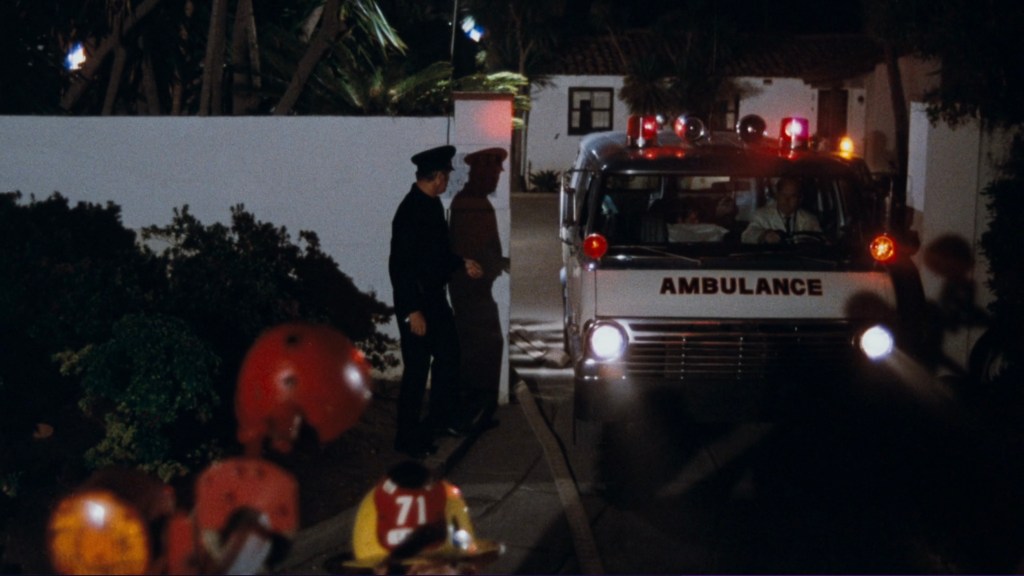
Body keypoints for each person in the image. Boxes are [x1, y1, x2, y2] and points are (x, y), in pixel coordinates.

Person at [389, 145, 483, 458]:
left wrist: (461, 262)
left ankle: (442, 419)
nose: (448, 183)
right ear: (438, 177)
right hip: (418, 302)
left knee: (448, 356)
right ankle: (407, 437)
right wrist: (412, 310)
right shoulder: (411, 211)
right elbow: (400, 266)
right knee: (417, 369)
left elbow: (434, 254)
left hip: (433, 299)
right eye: (446, 177)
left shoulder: (429, 205)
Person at [741, 176, 821, 244]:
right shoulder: (761, 215)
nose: (787, 200)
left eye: (792, 196)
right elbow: (747, 236)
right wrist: (764, 235)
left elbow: (820, 240)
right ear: (777, 195)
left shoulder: (810, 220)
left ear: (800, 199)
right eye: (783, 195)